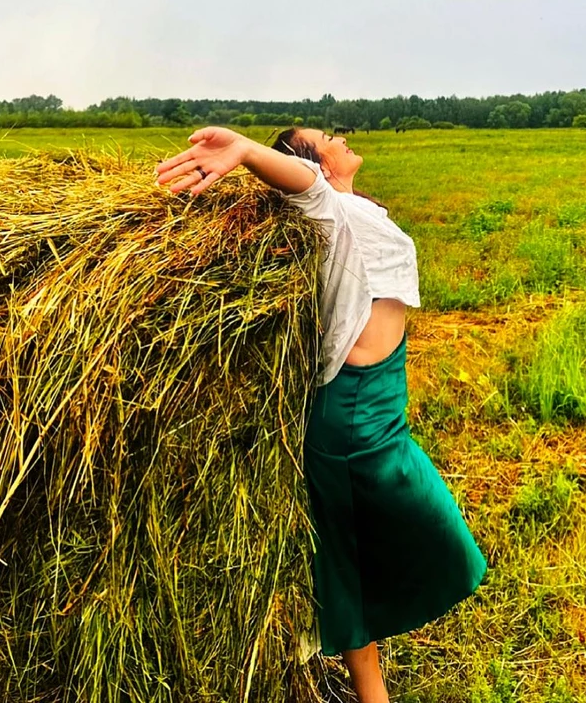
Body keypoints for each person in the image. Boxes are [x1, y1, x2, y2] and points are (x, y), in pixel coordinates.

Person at [155, 126, 486, 703]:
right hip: (356, 420)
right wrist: (245, 150)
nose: (340, 136)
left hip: (375, 403)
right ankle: (345, 660)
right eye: (326, 136)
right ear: (315, 163)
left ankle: (361, 681)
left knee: (349, 557)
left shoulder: (354, 211)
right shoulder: (328, 209)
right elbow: (306, 187)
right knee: (442, 544)